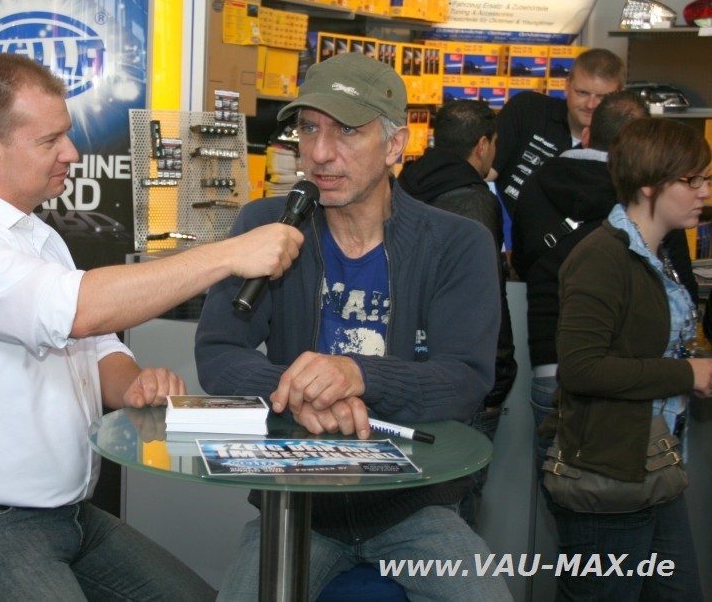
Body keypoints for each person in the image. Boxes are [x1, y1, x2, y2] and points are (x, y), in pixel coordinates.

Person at [0, 53, 303, 600]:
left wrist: (131, 384)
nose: (72, 153)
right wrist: (228, 254)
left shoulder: (39, 237)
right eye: (50, 141)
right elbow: (78, 309)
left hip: (68, 516)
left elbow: (97, 344)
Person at [194, 52, 511, 601]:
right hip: (296, 504)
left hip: (413, 503)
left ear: (394, 145)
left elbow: (465, 379)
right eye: (308, 128)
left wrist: (357, 374)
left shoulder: (456, 243)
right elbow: (219, 353)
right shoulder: (267, 225)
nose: (319, 153)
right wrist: (300, 393)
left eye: (346, 130)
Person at [546, 117, 712, 601]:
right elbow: (582, 368)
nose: (705, 191)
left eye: (707, 178)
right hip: (609, 474)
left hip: (652, 468)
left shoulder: (655, 253)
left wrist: (694, 367)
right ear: (649, 184)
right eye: (692, 179)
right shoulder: (602, 257)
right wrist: (686, 372)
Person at [512, 92, 698, 448]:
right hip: (626, 378)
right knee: (637, 478)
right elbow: (679, 284)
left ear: (586, 135)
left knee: (557, 476)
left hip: (546, 362)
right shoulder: (650, 199)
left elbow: (522, 261)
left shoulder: (536, 182)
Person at [397, 99, 516, 526]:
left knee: (408, 504)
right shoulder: (474, 202)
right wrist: (498, 376)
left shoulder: (401, 188)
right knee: (454, 511)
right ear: (482, 145)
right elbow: (486, 303)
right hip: (461, 379)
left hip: (403, 374)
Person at [493, 47, 625, 213]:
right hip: (504, 225)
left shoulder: (625, 144)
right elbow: (485, 173)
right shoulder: (527, 109)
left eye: (602, 97)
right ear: (567, 86)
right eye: (582, 93)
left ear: (621, 96)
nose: (591, 105)